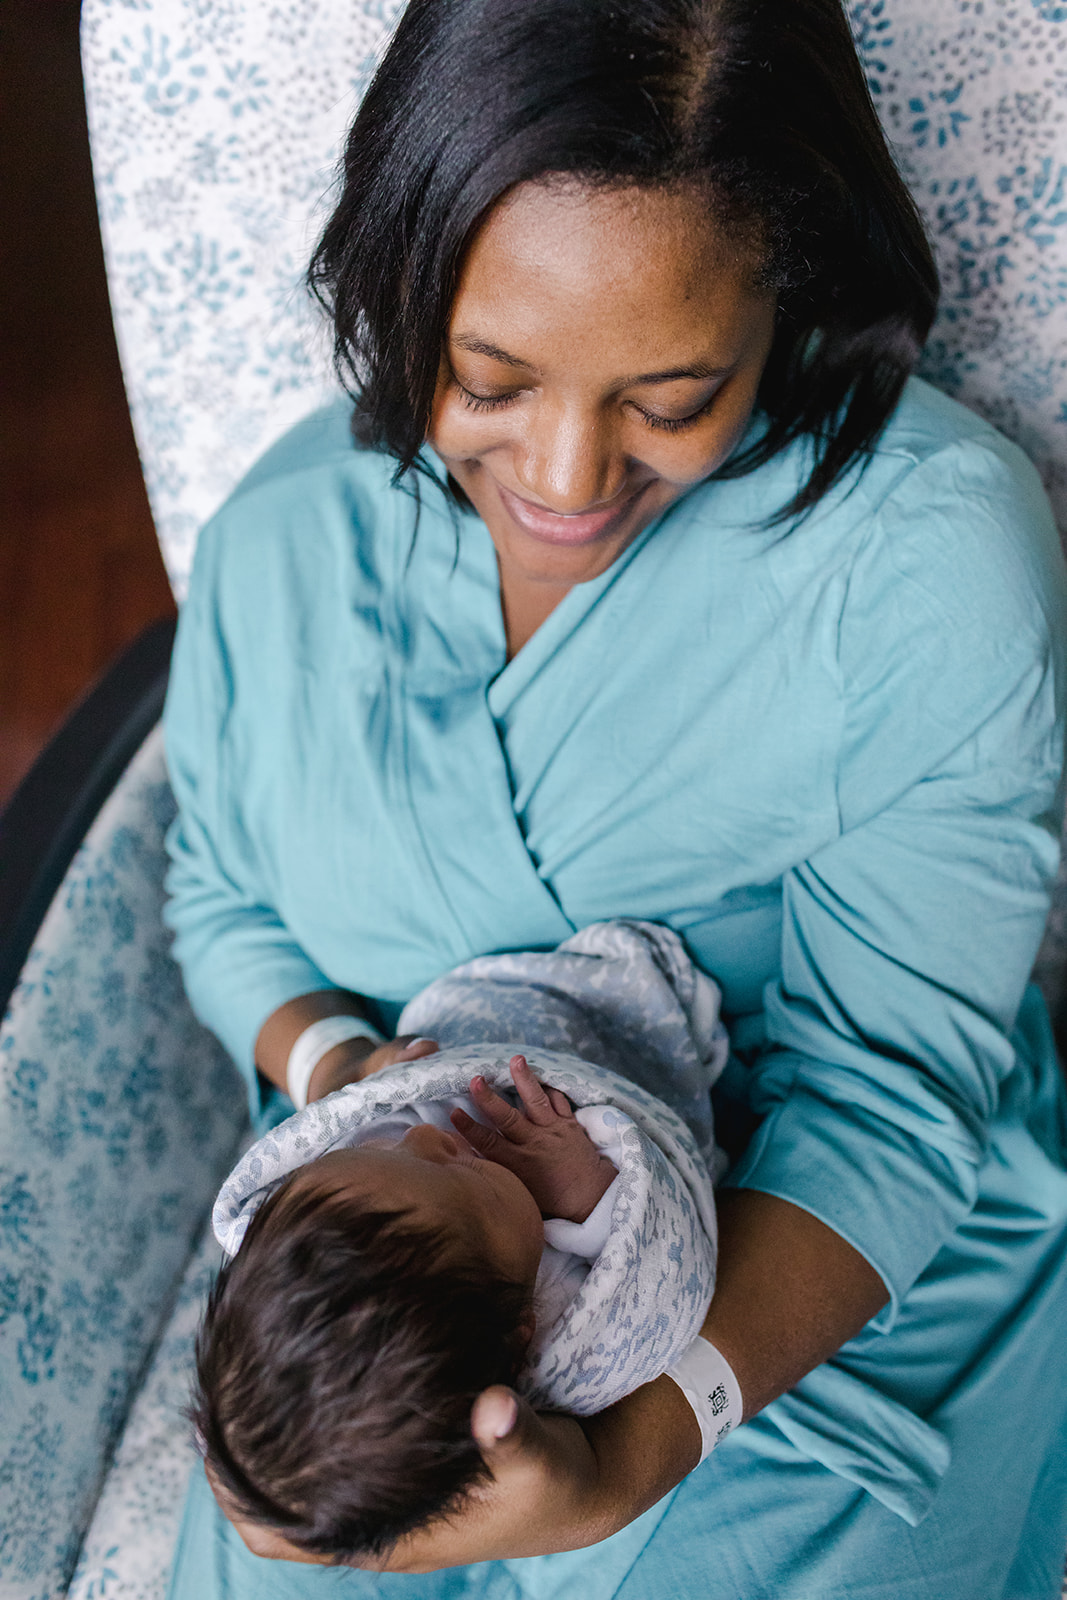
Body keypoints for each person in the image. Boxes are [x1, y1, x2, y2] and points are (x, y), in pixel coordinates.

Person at [162, 0, 1067, 1595]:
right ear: (398, 281)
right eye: (485, 377)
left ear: (784, 295)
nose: (567, 479)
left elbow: (886, 1099)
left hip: (811, 1253)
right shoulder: (281, 542)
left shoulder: (921, 558)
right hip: (386, 1272)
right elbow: (221, 899)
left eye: (669, 397)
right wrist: (345, 1064)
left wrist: (630, 1456)